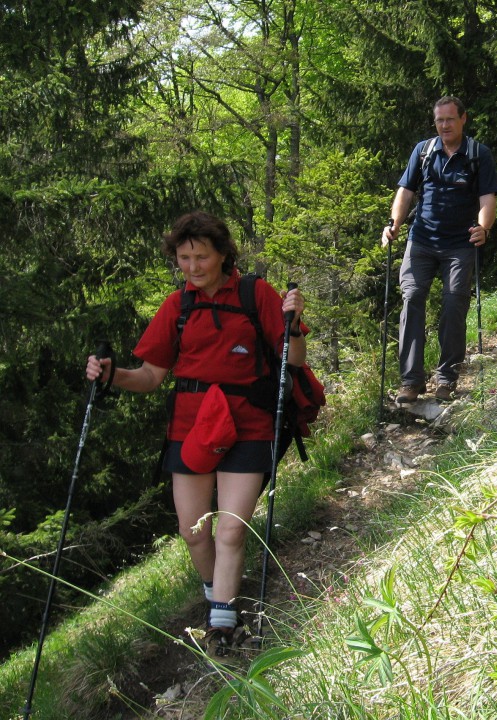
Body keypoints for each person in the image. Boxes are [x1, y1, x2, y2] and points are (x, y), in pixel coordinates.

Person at [84, 211, 307, 657]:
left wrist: (295, 322)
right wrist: (110, 376)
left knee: (229, 530)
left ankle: (221, 623)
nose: (192, 266)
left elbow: (294, 360)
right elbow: (149, 376)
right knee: (193, 532)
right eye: (184, 257)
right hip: (191, 427)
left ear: (223, 255)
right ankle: (217, 597)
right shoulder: (177, 307)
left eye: (201, 256)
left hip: (249, 424)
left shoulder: (254, 293)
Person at [381, 95, 497, 404]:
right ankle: (411, 381)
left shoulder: (478, 154)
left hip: (460, 243)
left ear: (463, 119)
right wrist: (394, 223)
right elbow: (406, 191)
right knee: (412, 297)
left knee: (453, 302)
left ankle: (447, 378)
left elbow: (488, 198)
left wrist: (483, 227)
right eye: (439, 120)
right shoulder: (423, 151)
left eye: (449, 119)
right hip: (421, 240)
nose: (444, 125)